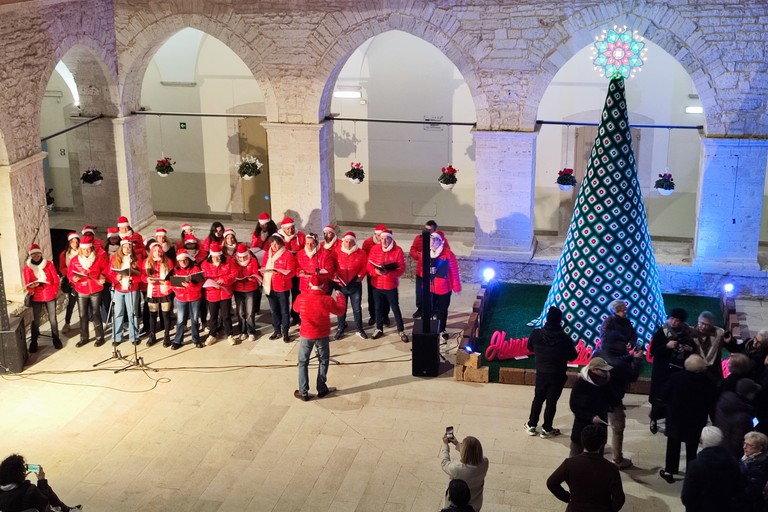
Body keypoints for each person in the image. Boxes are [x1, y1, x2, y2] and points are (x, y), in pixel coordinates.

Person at [659, 354, 717, 483]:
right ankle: (691, 472)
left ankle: (669, 471)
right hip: (696, 419)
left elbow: (664, 394)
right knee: (692, 447)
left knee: (673, 444)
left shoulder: (676, 377)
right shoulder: (708, 381)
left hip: (676, 417)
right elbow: (712, 402)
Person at [524, 306, 577, 439]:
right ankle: (547, 429)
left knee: (538, 398)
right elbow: (573, 356)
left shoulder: (536, 334)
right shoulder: (565, 339)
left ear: (547, 319)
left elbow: (529, 347)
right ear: (560, 321)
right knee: (551, 402)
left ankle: (531, 425)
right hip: (558, 375)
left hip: (541, 373)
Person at [291, 274, 347, 401]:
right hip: (321, 334)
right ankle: (321, 388)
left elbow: (295, 308)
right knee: (323, 360)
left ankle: (303, 391)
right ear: (323, 285)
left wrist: (305, 292)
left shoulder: (302, 297)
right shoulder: (327, 299)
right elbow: (340, 311)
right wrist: (340, 297)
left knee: (303, 362)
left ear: (310, 284)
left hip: (306, 334)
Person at [546, 424, 625, 512]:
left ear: (582, 441)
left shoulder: (570, 464)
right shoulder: (611, 469)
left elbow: (551, 483)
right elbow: (619, 499)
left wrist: (568, 498)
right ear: (602, 444)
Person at [649, 307, 700, 434]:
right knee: (658, 397)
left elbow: (693, 348)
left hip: (677, 371)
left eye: (677, 321)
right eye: (672, 319)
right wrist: (667, 346)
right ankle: (654, 419)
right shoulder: (662, 332)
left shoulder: (686, 333)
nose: (673, 322)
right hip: (662, 371)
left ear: (681, 322)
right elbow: (654, 351)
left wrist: (689, 349)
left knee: (672, 399)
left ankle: (669, 422)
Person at [681, 426, 745, 512]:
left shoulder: (695, 466)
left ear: (702, 440)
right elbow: (739, 488)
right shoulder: (732, 462)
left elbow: (687, 496)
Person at [367, 229, 408, 342]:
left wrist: (389, 273)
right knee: (378, 307)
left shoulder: (398, 250)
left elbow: (401, 269)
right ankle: (379, 328)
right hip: (377, 284)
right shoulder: (375, 249)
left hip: (390, 285)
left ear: (391, 239)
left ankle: (401, 330)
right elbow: (369, 265)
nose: (384, 241)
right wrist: (375, 272)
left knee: (395, 307)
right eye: (382, 238)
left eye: (387, 238)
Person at [0, 454, 81, 512]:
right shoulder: (30, 490)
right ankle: (65, 510)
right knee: (45, 487)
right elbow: (44, 501)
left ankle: (65, 509)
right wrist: (41, 479)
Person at [68, 234, 108, 348]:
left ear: (91, 248)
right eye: (84, 249)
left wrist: (102, 275)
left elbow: (106, 268)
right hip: (81, 289)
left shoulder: (98, 258)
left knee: (96, 313)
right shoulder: (75, 260)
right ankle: (84, 337)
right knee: (82, 315)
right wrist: (73, 279)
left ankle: (100, 337)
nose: (86, 251)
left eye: (88, 249)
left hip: (95, 288)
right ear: (81, 249)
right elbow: (70, 273)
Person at [568, 357, 612, 456]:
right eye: (602, 371)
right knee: (575, 456)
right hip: (581, 426)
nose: (605, 373)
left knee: (598, 458)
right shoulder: (580, 384)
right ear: (593, 370)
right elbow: (574, 406)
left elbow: (610, 398)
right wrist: (590, 417)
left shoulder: (606, 381)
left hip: (600, 427)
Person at [23, 244, 61, 352]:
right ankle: (34, 341)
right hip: (36, 296)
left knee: (53, 319)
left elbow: (56, 280)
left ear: (41, 254)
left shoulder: (48, 264)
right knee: (35, 320)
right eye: (33, 254)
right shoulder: (27, 268)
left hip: (49, 294)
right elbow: (27, 284)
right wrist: (32, 288)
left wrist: (54, 292)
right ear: (31, 255)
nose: (36, 256)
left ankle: (56, 339)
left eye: (38, 254)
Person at [261, 234, 297, 342]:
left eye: (277, 244)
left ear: (281, 244)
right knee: (274, 310)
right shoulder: (267, 254)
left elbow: (291, 272)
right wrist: (265, 272)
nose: (275, 246)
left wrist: (278, 273)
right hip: (270, 285)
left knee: (284, 311)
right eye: (273, 244)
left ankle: (285, 331)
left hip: (282, 286)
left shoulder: (287, 255)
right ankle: (276, 330)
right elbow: (263, 266)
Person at [333, 232, 368, 340]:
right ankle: (340, 328)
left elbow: (365, 266)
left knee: (356, 308)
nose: (348, 243)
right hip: (341, 284)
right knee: (341, 308)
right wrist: (334, 274)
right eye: (346, 241)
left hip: (355, 285)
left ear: (354, 242)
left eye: (350, 241)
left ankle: (359, 328)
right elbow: (332, 265)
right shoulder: (336, 252)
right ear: (343, 241)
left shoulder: (361, 253)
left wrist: (360, 276)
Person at [440, 434, 489, 512]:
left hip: (456, 506)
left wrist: (445, 445)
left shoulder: (457, 469)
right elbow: (472, 454)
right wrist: (457, 444)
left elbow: (444, 463)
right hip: (475, 503)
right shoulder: (485, 462)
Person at [409, 220, 447, 319]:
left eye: (429, 230)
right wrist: (420, 255)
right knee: (420, 293)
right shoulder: (419, 238)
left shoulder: (439, 239)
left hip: (433, 272)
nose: (427, 231)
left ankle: (434, 310)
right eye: (425, 229)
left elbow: (445, 252)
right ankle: (420, 309)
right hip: (421, 271)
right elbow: (413, 249)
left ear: (435, 230)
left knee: (433, 293)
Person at [201, 241, 237, 346]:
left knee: (226, 316)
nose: (216, 259)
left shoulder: (229, 262)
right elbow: (202, 277)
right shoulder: (205, 264)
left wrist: (224, 279)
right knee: (213, 316)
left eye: (218, 257)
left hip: (225, 293)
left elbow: (234, 274)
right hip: (212, 294)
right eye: (214, 257)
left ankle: (230, 334)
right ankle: (213, 334)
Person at [716, 378, 762, 459]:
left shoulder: (724, 401)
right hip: (734, 452)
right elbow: (739, 440)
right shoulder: (744, 415)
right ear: (749, 394)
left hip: (722, 444)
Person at [107, 238, 142, 346]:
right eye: (125, 247)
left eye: (129, 247)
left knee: (133, 313)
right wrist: (116, 277)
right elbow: (109, 273)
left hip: (132, 289)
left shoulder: (136, 259)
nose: (127, 249)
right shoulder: (114, 258)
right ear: (121, 248)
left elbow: (141, 275)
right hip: (119, 289)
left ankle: (134, 336)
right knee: (118, 313)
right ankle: (117, 337)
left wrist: (133, 279)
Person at [429, 232, 461, 340]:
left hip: (444, 288)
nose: (432, 242)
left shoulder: (448, 254)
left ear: (440, 241)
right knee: (431, 309)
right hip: (431, 287)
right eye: (431, 239)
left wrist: (456, 287)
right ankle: (432, 328)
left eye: (435, 240)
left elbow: (454, 271)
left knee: (442, 310)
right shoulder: (427, 253)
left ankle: (442, 329)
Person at [142, 241, 175, 347]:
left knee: (165, 315)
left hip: (164, 290)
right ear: (151, 251)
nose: (157, 252)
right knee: (152, 315)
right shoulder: (146, 262)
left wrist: (167, 281)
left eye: (159, 250)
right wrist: (147, 279)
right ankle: (152, 336)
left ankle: (167, 336)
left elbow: (172, 276)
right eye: (155, 250)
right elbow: (142, 276)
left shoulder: (168, 261)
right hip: (153, 290)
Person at [171, 248, 204, 349]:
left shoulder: (196, 269)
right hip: (181, 298)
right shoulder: (175, 270)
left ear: (189, 259)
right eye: (181, 260)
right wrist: (180, 288)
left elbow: (199, 286)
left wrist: (189, 286)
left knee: (194, 319)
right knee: (180, 320)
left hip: (195, 298)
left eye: (185, 259)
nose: (183, 262)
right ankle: (178, 340)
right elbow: (173, 285)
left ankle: (196, 339)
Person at [232, 243, 261, 342]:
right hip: (238, 289)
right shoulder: (234, 261)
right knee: (240, 312)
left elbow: (256, 274)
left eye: (245, 257)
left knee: (250, 312)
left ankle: (251, 331)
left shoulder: (252, 260)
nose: (243, 259)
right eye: (241, 258)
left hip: (250, 289)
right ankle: (243, 331)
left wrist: (251, 279)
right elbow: (232, 274)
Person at [363, 224, 389, 326]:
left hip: (385, 274)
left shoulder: (389, 241)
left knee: (386, 296)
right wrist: (373, 270)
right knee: (372, 296)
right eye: (379, 236)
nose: (381, 239)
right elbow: (365, 259)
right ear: (375, 235)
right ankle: (373, 316)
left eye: (382, 236)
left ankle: (385, 316)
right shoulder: (367, 243)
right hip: (372, 274)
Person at [58, 231, 80, 334]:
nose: (75, 244)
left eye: (76, 242)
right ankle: (67, 323)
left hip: (82, 280)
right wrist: (69, 274)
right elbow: (62, 267)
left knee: (84, 304)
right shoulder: (64, 254)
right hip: (72, 282)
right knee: (71, 303)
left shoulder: (83, 251)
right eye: (72, 242)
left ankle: (85, 322)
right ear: (69, 243)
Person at [740, 431, 768, 512]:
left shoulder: (761, 466)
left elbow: (751, 492)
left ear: (760, 448)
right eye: (744, 443)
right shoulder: (747, 457)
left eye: (749, 445)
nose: (744, 447)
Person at [695, 311, 726, 383]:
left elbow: (731, 347)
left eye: (707, 325)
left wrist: (729, 341)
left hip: (713, 370)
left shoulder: (719, 334)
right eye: (701, 323)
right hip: (695, 368)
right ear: (698, 320)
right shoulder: (691, 332)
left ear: (712, 325)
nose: (703, 326)